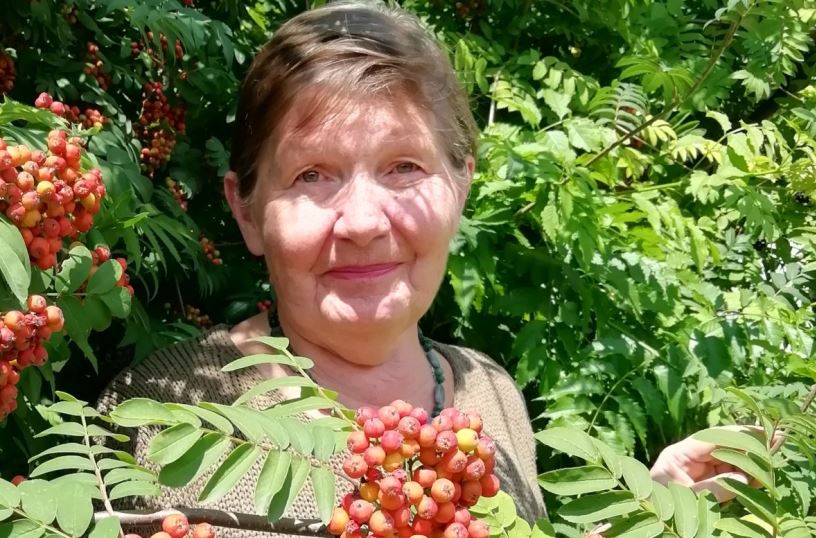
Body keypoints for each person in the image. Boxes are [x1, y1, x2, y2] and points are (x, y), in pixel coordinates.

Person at [97, 1, 754, 536]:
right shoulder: (155, 417)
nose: (362, 222)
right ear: (247, 210)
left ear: (460, 186)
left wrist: (646, 514)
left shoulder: (491, 394)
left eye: (404, 167)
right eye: (312, 174)